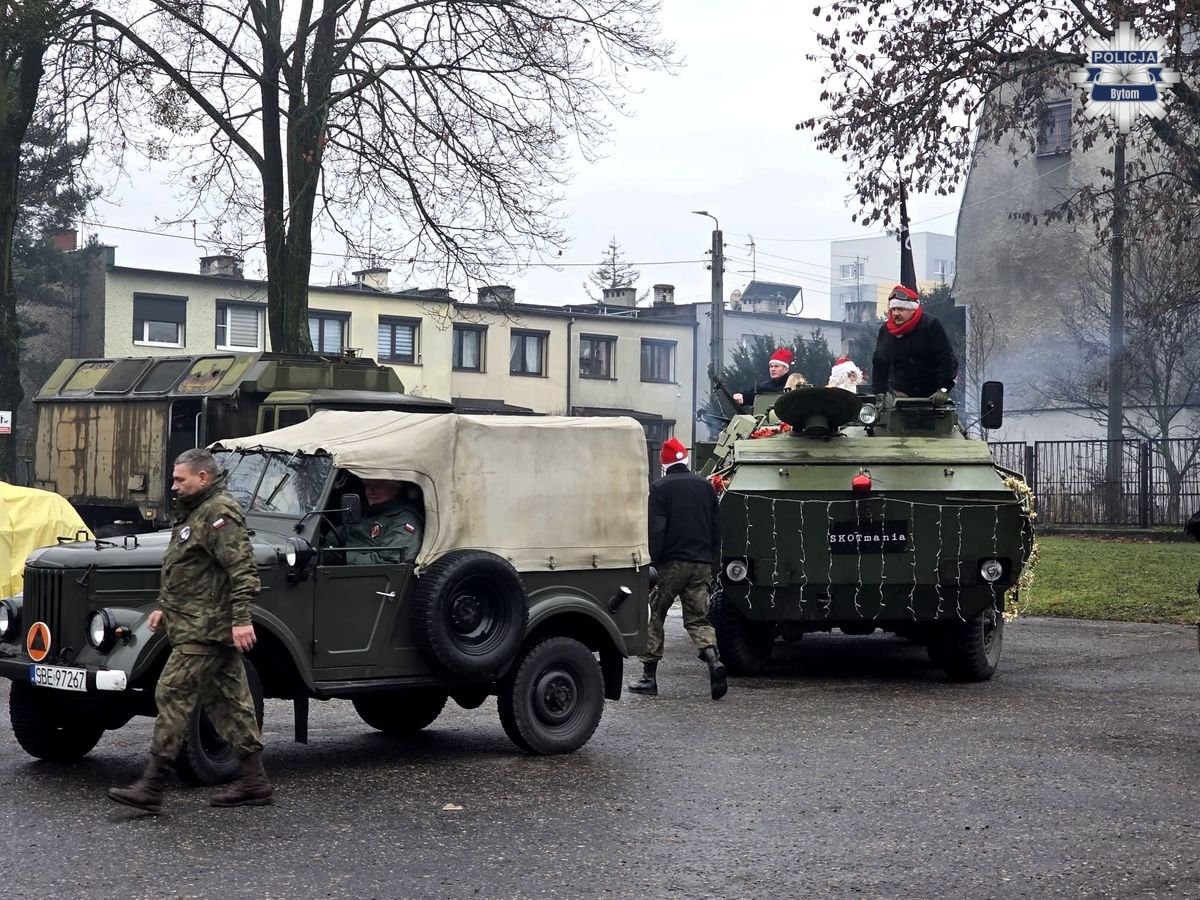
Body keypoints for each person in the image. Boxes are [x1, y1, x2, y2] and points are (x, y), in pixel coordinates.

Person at [108, 448, 271, 814]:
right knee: (230, 702)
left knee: (170, 692)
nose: (174, 486)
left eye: (180, 479)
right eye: (174, 479)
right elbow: (191, 570)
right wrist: (164, 608)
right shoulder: (195, 513)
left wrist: (242, 619)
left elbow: (243, 570)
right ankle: (255, 781)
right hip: (195, 624)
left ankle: (151, 785)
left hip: (207, 630)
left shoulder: (219, 513)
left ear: (203, 478)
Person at [629, 437, 728, 701]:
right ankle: (713, 659)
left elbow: (657, 529)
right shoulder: (706, 486)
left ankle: (649, 678)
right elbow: (717, 528)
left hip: (671, 565)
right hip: (702, 563)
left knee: (654, 614)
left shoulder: (660, 488)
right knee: (697, 618)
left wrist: (652, 561)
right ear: (685, 460)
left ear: (665, 464)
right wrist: (712, 560)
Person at [871, 285, 958, 401]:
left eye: (901, 309)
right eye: (893, 309)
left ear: (912, 309)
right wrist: (880, 391)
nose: (896, 313)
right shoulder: (887, 331)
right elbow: (880, 363)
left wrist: (943, 389)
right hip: (900, 395)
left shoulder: (930, 325)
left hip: (933, 396)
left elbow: (946, 358)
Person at [344, 479, 424, 565]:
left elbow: (390, 562)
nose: (370, 491)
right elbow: (343, 533)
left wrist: (344, 558)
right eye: (368, 485)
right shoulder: (370, 513)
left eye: (378, 486)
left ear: (396, 489)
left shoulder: (404, 519)